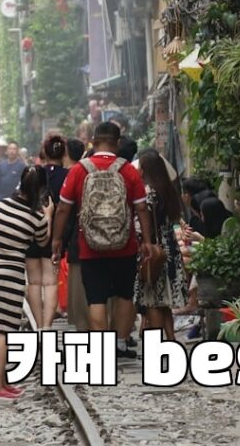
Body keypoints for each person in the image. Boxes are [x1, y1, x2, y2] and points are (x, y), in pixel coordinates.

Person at [52, 122, 153, 360]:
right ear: (117, 143)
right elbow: (142, 208)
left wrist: (56, 239)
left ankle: (101, 347)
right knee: (125, 295)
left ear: (94, 142)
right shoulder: (128, 170)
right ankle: (120, 343)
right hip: (124, 246)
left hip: (90, 247)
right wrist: (147, 241)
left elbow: (63, 209)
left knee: (96, 298)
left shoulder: (79, 170)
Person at [0, 166, 51, 402]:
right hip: (9, 274)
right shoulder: (37, 218)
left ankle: (1, 381)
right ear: (41, 189)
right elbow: (43, 242)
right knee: (4, 329)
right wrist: (48, 214)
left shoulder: (2, 205)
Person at [133, 149, 187, 340]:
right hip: (169, 249)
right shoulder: (168, 190)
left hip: (152, 251)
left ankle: (156, 343)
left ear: (146, 169)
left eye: (140, 166)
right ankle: (171, 339)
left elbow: (141, 225)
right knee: (164, 301)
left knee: (153, 301)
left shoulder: (147, 193)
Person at [25, 135, 69, 329]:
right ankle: (47, 325)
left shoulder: (34, 173)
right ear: (63, 153)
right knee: (51, 283)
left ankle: (38, 323)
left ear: (44, 152)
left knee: (34, 282)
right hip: (57, 236)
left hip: (32, 232)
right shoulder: (68, 175)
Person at [63, 138, 89, 332]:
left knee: (81, 292)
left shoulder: (75, 173)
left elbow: (65, 210)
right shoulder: (89, 171)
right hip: (111, 241)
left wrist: (59, 240)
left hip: (78, 241)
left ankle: (85, 331)